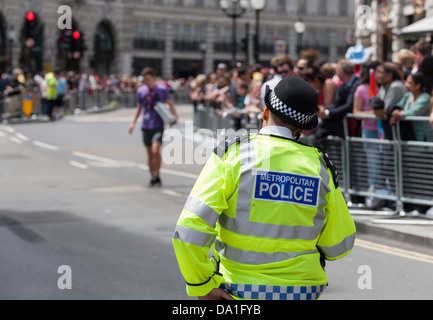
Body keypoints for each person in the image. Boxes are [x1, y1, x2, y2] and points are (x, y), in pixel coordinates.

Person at [172, 76, 356, 301]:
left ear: (265, 112)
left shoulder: (234, 156)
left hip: (239, 290)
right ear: (301, 129)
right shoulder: (320, 167)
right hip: (302, 292)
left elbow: (188, 230)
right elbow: (340, 244)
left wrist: (201, 284)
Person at [129, 67, 179, 187]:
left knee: (155, 150)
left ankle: (157, 173)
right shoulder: (141, 91)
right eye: (144, 79)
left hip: (158, 123)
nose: (146, 81)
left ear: (153, 78)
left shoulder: (162, 89)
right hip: (146, 125)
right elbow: (138, 107)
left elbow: (170, 103)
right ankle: (153, 177)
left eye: (148, 79)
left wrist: (175, 116)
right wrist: (133, 122)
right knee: (149, 153)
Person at [353, 62, 384, 208]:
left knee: (386, 162)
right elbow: (356, 112)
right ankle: (375, 194)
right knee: (374, 164)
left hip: (385, 131)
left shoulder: (384, 88)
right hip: (370, 131)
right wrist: (374, 113)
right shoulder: (361, 89)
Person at [316, 60, 362, 144]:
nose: (335, 74)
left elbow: (349, 106)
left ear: (341, 72)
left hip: (358, 126)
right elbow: (336, 104)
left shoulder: (358, 84)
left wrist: (327, 112)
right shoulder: (342, 86)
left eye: (336, 71)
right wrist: (322, 109)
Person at [390, 72, 433, 142]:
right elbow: (399, 105)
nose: (406, 85)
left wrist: (399, 114)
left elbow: (415, 112)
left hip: (423, 136)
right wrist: (396, 112)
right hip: (411, 135)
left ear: (418, 85)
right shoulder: (408, 95)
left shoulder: (425, 98)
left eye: (409, 83)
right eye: (406, 82)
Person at [370, 62, 407, 140]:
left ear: (390, 76)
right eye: (377, 72)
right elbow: (376, 103)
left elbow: (386, 109)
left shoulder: (395, 86)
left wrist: (379, 110)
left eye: (380, 72)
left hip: (399, 131)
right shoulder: (384, 86)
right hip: (389, 130)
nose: (377, 75)